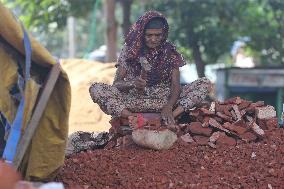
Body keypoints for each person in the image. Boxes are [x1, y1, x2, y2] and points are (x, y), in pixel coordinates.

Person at [89, 11, 212, 129]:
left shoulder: (170, 51)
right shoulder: (129, 51)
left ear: (163, 34)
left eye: (157, 35)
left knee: (204, 83)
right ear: (142, 34)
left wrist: (169, 107)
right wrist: (133, 83)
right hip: (133, 101)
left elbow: (176, 86)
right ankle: (133, 118)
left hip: (163, 101)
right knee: (96, 88)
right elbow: (117, 84)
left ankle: (168, 118)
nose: (153, 39)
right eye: (149, 35)